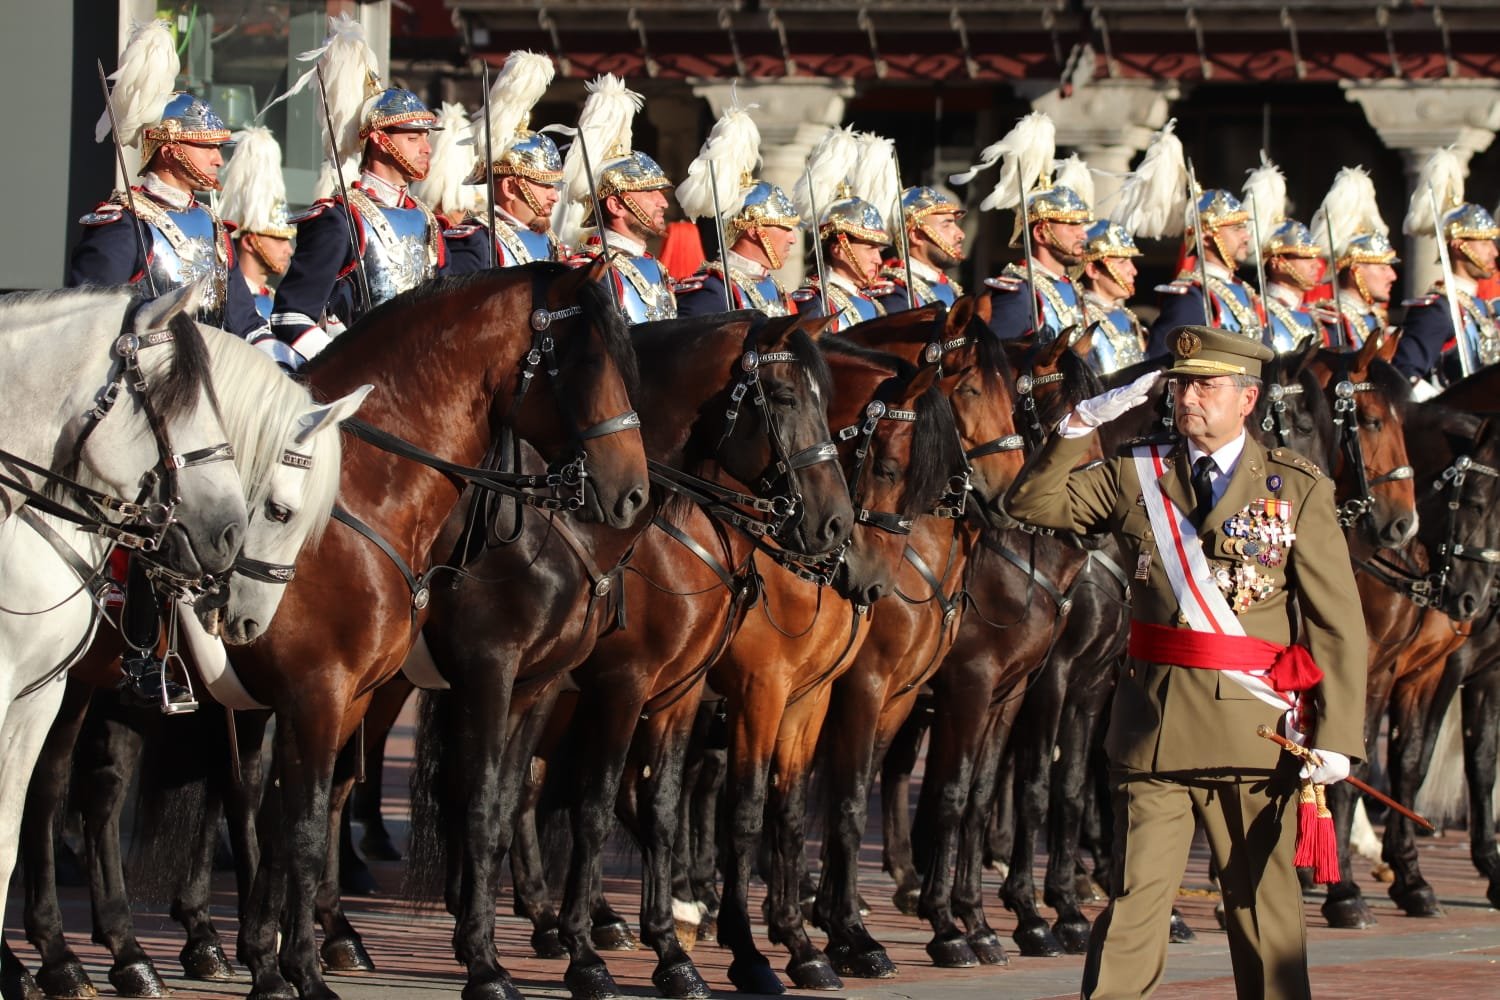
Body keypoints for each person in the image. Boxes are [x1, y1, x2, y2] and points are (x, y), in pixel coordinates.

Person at [1005, 326, 1366, 1000]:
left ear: (1247, 398)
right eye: (1181, 385)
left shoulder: (1297, 487)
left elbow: (1335, 624)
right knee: (1136, 901)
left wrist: (1340, 738)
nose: (1188, 398)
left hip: (1252, 730)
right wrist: (1082, 424)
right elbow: (1028, 504)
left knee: (1263, 912)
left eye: (1207, 386)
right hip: (1154, 727)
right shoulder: (1136, 472)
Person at [70, 20, 262, 712]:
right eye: (208, 149)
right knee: (149, 506)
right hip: (147, 396)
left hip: (214, 392)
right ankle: (136, 638)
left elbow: (241, 319)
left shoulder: (211, 227)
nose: (219, 160)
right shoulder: (123, 220)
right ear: (169, 149)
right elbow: (96, 316)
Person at [269, 85, 448, 365]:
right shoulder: (340, 217)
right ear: (379, 140)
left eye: (426, 137)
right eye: (413, 138)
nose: (426, 148)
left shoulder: (426, 219)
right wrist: (348, 366)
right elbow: (292, 315)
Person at [444, 51, 564, 272]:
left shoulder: (551, 243)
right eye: (545, 185)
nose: (554, 196)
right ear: (509, 187)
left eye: (554, 186)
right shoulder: (476, 243)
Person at [1394, 158, 1500, 389]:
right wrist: (1439, 409)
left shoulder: (1484, 307)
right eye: (1484, 244)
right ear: (1459, 245)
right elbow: (1405, 373)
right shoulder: (1437, 309)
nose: (1494, 252)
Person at [1148, 190, 1267, 355]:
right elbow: (1162, 363)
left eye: (1244, 227)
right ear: (1205, 238)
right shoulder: (1192, 295)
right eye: (1236, 228)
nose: (1246, 236)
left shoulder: (1246, 292)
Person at [676, 182, 800, 317]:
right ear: (753, 230)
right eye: (786, 228)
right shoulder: (714, 288)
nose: (793, 239)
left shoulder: (774, 286)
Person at [986, 183, 1091, 340]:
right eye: (1072, 224)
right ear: (1041, 233)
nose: (1083, 235)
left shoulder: (1074, 288)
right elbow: (999, 359)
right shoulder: (1020, 291)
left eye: (1082, 226)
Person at [217, 124, 297, 328]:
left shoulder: (276, 299)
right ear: (250, 242)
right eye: (278, 239)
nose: (288, 249)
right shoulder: (224, 302)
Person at [792, 187, 896, 332]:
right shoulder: (815, 302)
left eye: (878, 250)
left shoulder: (872, 302)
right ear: (838, 250)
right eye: (870, 248)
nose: (878, 260)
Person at [1077, 220, 1148, 374]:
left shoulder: (1129, 317)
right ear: (1093, 270)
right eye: (1122, 261)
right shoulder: (1080, 316)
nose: (1133, 270)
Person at [881, 185, 967, 311]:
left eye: (955, 224)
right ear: (916, 236)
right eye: (946, 225)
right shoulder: (895, 293)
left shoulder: (950, 287)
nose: (961, 234)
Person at [1258, 220, 1325, 352]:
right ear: (1277, 263)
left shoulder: (1315, 317)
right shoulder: (1260, 310)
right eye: (1306, 257)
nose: (1317, 265)